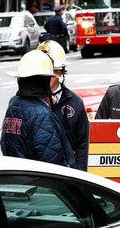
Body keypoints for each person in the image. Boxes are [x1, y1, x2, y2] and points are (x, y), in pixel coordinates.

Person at [1, 50, 75, 168]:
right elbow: (52, 162)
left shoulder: (14, 105)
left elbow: (5, 145)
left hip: (17, 177)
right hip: (37, 182)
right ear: (43, 81)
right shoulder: (41, 114)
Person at [38, 40, 90, 171]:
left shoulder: (75, 103)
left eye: (49, 72)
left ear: (60, 72)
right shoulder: (26, 103)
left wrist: (79, 172)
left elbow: (83, 142)